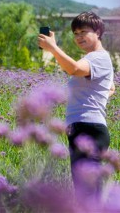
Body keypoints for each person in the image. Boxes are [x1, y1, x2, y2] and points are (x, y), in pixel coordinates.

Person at [38, 11, 114, 202]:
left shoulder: (98, 58)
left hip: (89, 128)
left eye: (83, 32)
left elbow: (73, 69)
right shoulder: (93, 59)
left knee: (88, 194)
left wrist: (53, 48)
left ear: (97, 31)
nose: (79, 37)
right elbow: (110, 87)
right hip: (81, 127)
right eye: (75, 34)